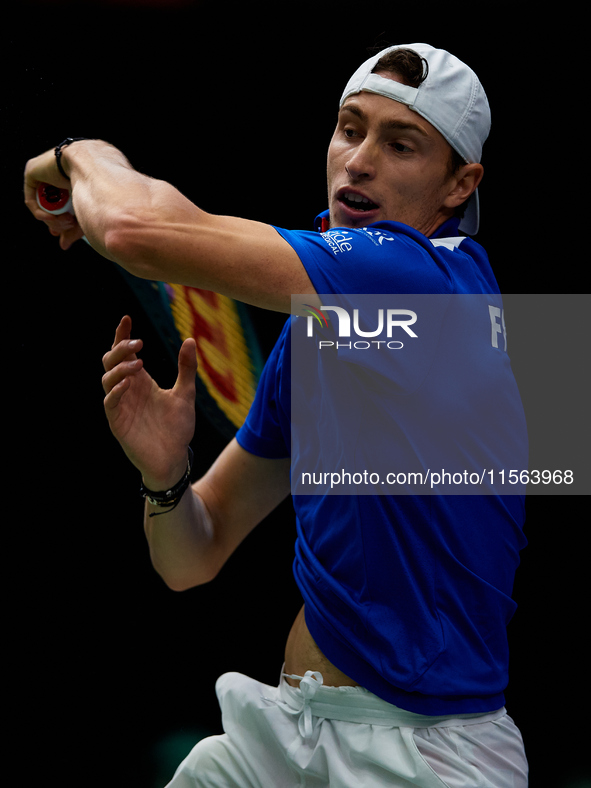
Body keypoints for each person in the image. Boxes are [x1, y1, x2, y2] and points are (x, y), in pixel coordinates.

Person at [24, 43, 529, 787]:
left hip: (425, 757)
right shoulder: (319, 328)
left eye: (401, 145)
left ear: (460, 184)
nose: (358, 161)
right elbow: (192, 557)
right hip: (284, 736)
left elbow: (133, 233)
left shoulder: (423, 286)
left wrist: (81, 154)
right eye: (349, 129)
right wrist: (165, 476)